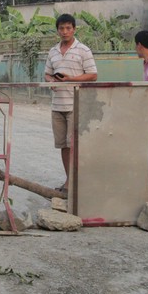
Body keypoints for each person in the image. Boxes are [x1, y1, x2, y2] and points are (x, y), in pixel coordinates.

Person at [44, 13, 97, 194]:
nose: (65, 31)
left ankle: (79, 182)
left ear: (74, 29)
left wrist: (71, 79)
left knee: (75, 145)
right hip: (57, 105)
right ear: (57, 30)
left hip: (76, 105)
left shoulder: (83, 50)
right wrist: (51, 82)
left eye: (68, 28)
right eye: (61, 28)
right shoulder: (53, 52)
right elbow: (47, 74)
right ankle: (69, 181)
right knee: (64, 146)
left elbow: (93, 75)